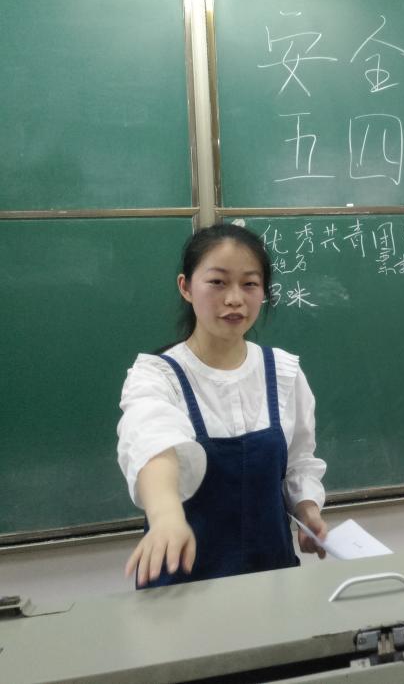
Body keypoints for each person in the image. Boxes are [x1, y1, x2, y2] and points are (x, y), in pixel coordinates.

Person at [117, 223, 328, 588]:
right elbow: (152, 444)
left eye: (250, 284)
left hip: (272, 580)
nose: (234, 299)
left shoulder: (282, 372)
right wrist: (166, 516)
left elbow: (298, 463)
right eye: (217, 282)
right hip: (184, 587)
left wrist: (308, 511)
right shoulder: (157, 376)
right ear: (185, 287)